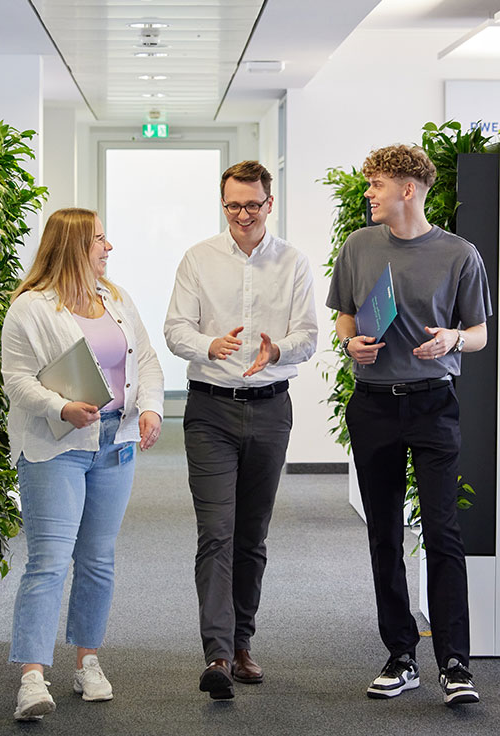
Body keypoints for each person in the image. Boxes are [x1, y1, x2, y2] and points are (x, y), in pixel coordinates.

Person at [326, 145, 491, 706]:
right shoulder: (358, 246)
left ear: (409, 190)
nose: (368, 193)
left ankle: (455, 663)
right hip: (373, 405)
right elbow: (345, 312)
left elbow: (479, 334)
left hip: (432, 404)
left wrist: (452, 340)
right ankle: (401, 656)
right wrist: (350, 342)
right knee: (383, 534)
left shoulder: (459, 254)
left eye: (376, 184)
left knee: (442, 533)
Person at [1, 207, 164, 721]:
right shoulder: (30, 308)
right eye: (99, 238)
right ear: (73, 245)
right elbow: (18, 381)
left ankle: (87, 660)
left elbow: (147, 361)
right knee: (49, 560)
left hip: (115, 443)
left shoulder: (114, 298)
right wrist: (61, 407)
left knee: (97, 559)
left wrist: (152, 407)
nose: (108, 247)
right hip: (56, 445)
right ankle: (31, 677)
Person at [164, 160, 317, 700]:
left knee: (252, 534)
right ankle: (218, 654)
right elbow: (175, 328)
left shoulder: (293, 262)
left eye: (253, 205)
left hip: (272, 407)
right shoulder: (198, 259)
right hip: (210, 410)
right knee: (217, 532)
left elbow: (309, 335)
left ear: (269, 204)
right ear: (222, 205)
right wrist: (210, 345)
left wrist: (280, 349)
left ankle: (243, 641)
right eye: (234, 205)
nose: (244, 215)